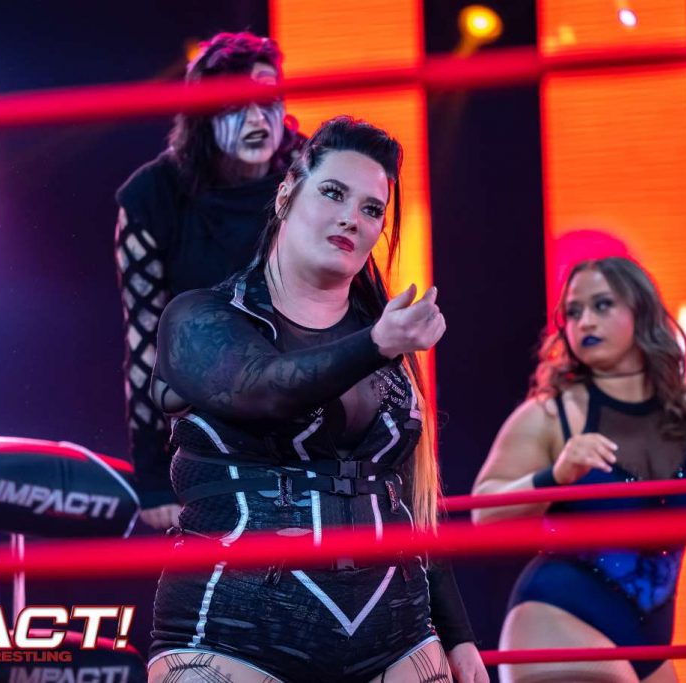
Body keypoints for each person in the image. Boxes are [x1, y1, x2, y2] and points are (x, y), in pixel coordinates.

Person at [145, 117, 484, 682]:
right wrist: (377, 344)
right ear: (286, 195)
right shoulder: (201, 316)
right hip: (229, 642)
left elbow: (414, 500)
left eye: (371, 209)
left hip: (399, 643)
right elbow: (262, 388)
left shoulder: (388, 342)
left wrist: (459, 634)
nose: (351, 217)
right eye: (332, 192)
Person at [472, 256, 686, 683]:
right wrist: (556, 476)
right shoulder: (549, 414)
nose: (585, 322)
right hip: (557, 616)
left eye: (602, 305)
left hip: (651, 640)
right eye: (573, 312)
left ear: (641, 309)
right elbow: (484, 512)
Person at [115, 32, 303, 530]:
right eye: (235, 105)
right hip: (208, 427)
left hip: (309, 414)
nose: (257, 119)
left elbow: (355, 311)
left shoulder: (311, 174)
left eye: (268, 100)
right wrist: (153, 476)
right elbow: (145, 344)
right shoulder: (152, 195)